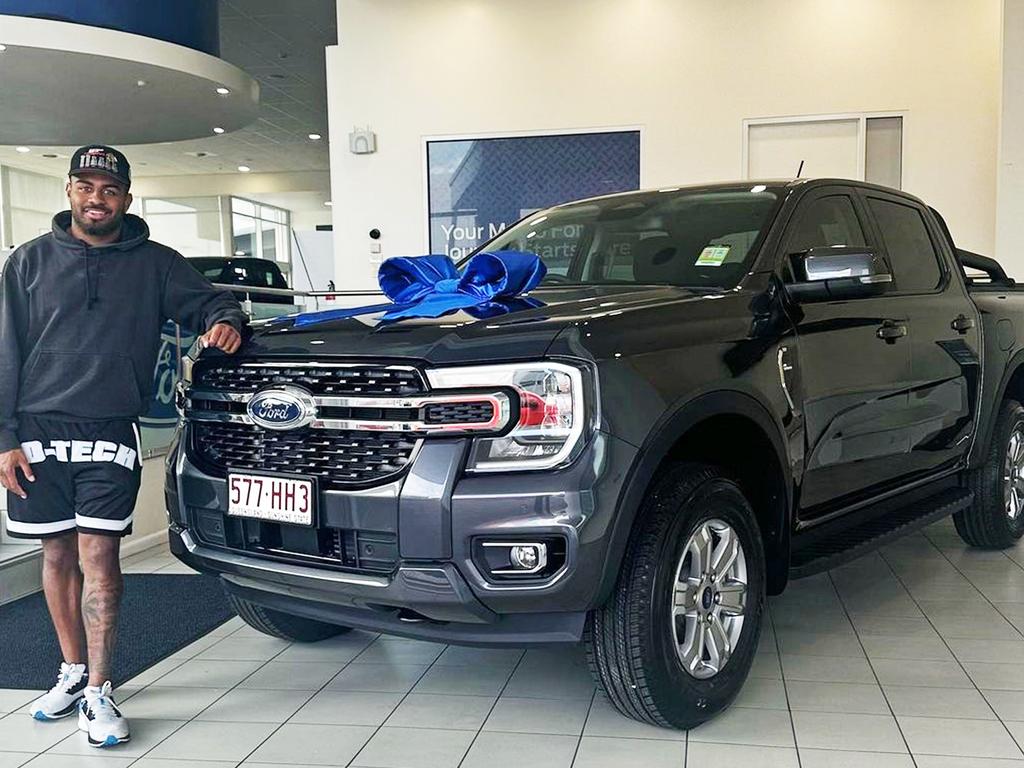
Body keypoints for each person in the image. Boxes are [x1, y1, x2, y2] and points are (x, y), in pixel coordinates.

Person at [0, 145, 246, 747]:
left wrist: (227, 321)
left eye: (108, 190)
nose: (96, 198)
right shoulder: (28, 262)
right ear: (68, 191)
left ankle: (101, 691)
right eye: (85, 186)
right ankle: (72, 671)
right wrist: (3, 438)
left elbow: (213, 301)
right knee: (55, 558)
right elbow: (3, 348)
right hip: (36, 432)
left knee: (101, 559)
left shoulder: (157, 264)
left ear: (126, 199)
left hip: (111, 429)